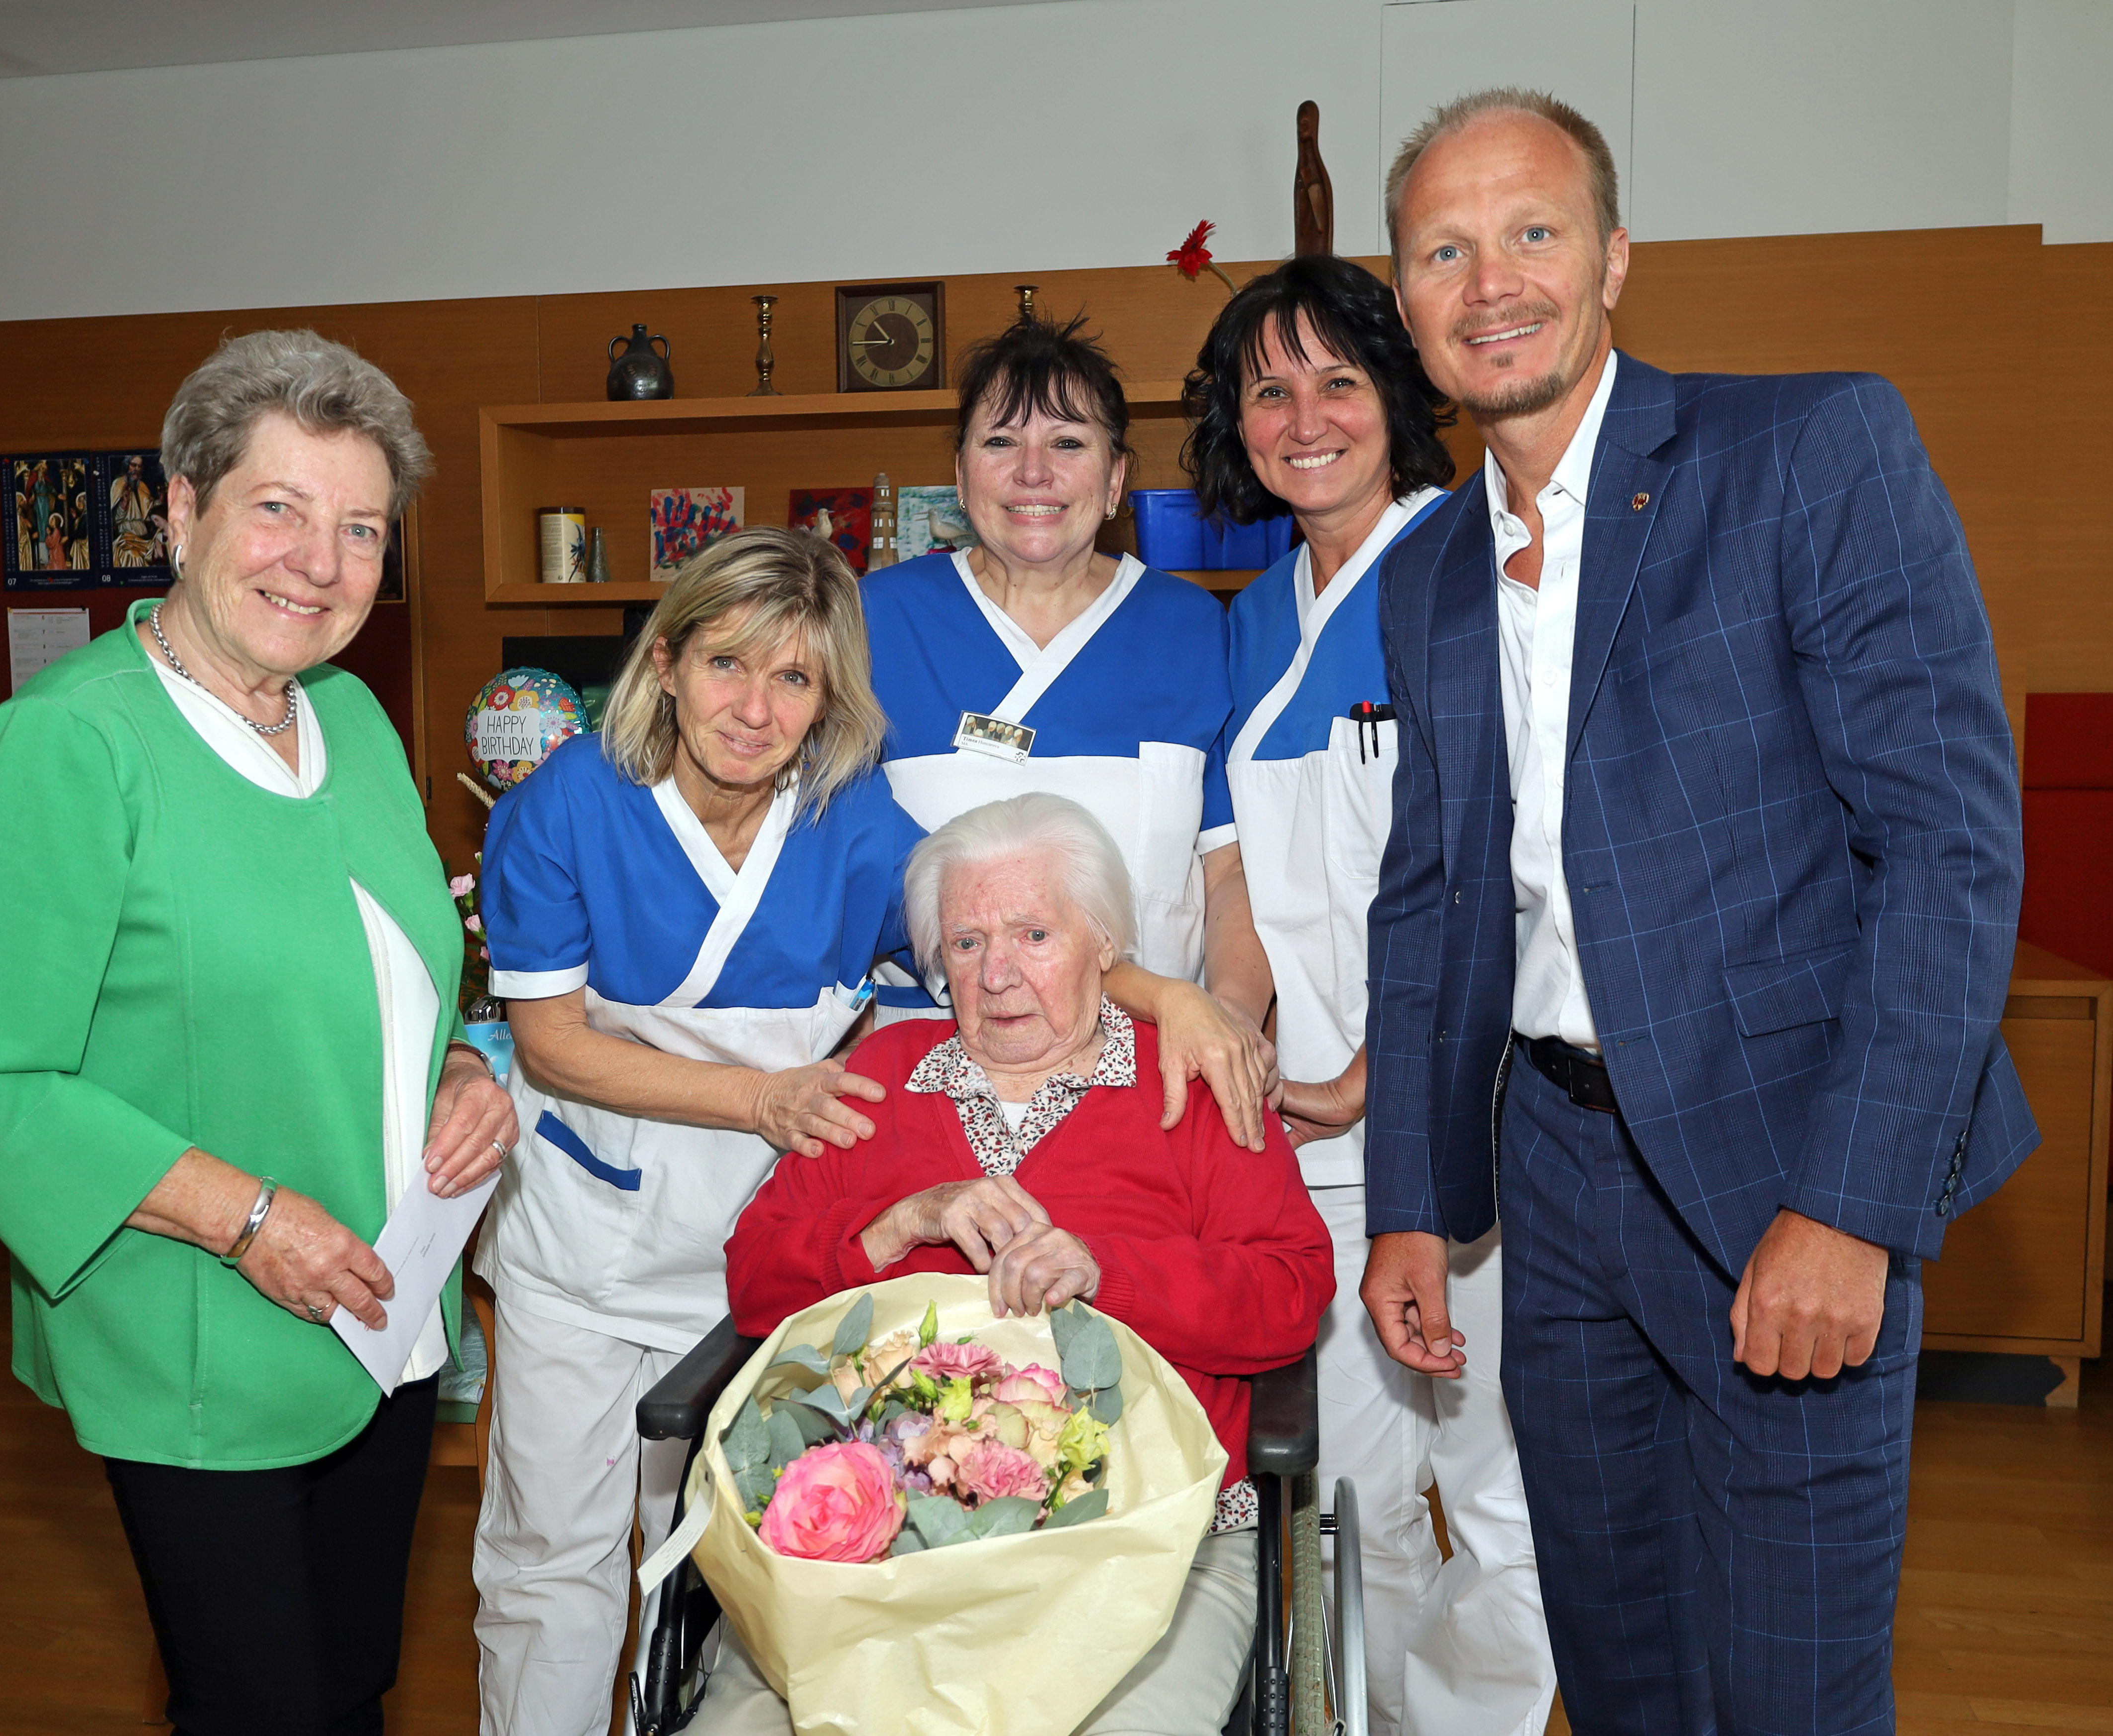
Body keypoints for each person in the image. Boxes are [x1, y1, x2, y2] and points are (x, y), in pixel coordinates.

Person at [1360, 90, 2036, 1736]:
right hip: (1553, 1173)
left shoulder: (1801, 451)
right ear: (1406, 301)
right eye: (1444, 250)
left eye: (1531, 232)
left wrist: (1851, 1206)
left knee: (1788, 1689)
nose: (1490, 281)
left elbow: (1944, 843)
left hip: (1779, 1163)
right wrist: (1410, 1200)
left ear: (1612, 258)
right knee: (1620, 1671)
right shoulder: (1427, 568)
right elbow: (1433, 898)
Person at [0, 328, 517, 1736]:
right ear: (182, 511)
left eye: (360, 528)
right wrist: (247, 1220)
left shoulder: (354, 720)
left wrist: (461, 1066)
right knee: (258, 1709)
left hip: (381, 1311)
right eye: (278, 507)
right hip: (205, 1322)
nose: (320, 561)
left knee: (352, 1688)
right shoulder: (74, 744)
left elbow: (380, 967)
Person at [698, 792, 1335, 1735]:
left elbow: (1288, 1292)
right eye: (965, 943)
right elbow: (754, 1284)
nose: (996, 974)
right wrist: (898, 1223)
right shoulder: (882, 1077)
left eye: (1034, 935)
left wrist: (1106, 1274)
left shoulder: (1192, 1085)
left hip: (1143, 1546)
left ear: (1105, 945)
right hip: (876, 1548)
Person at [470, 527, 925, 1736]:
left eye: (794, 678)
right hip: (582, 1249)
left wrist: (1158, 992)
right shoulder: (567, 804)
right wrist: (765, 1100)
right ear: (665, 662)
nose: (755, 710)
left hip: (761, 1261)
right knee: (551, 1556)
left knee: (729, 1561)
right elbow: (554, 1046)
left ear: (829, 700)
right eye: (727, 664)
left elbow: (989, 928)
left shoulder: (855, 820)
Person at [1183, 254, 1554, 1736]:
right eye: (1268, 391)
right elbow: (1240, 880)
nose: (1305, 419)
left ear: (1398, 394)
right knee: (1344, 1498)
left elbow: (1513, 875)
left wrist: (1383, 1077)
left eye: (1339, 380)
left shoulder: (1477, 570)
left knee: (1503, 1490)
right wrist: (1243, 1035)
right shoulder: (1245, 621)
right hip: (1301, 1144)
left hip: (1475, 1132)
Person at [860, 317, 1276, 1141]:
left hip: (1153, 1079)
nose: (1032, 472)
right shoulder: (873, 624)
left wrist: (1228, 1020)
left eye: (1068, 443)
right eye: (1000, 441)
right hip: (929, 1082)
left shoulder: (1191, 628)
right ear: (959, 474)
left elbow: (1229, 871)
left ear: (1116, 478)